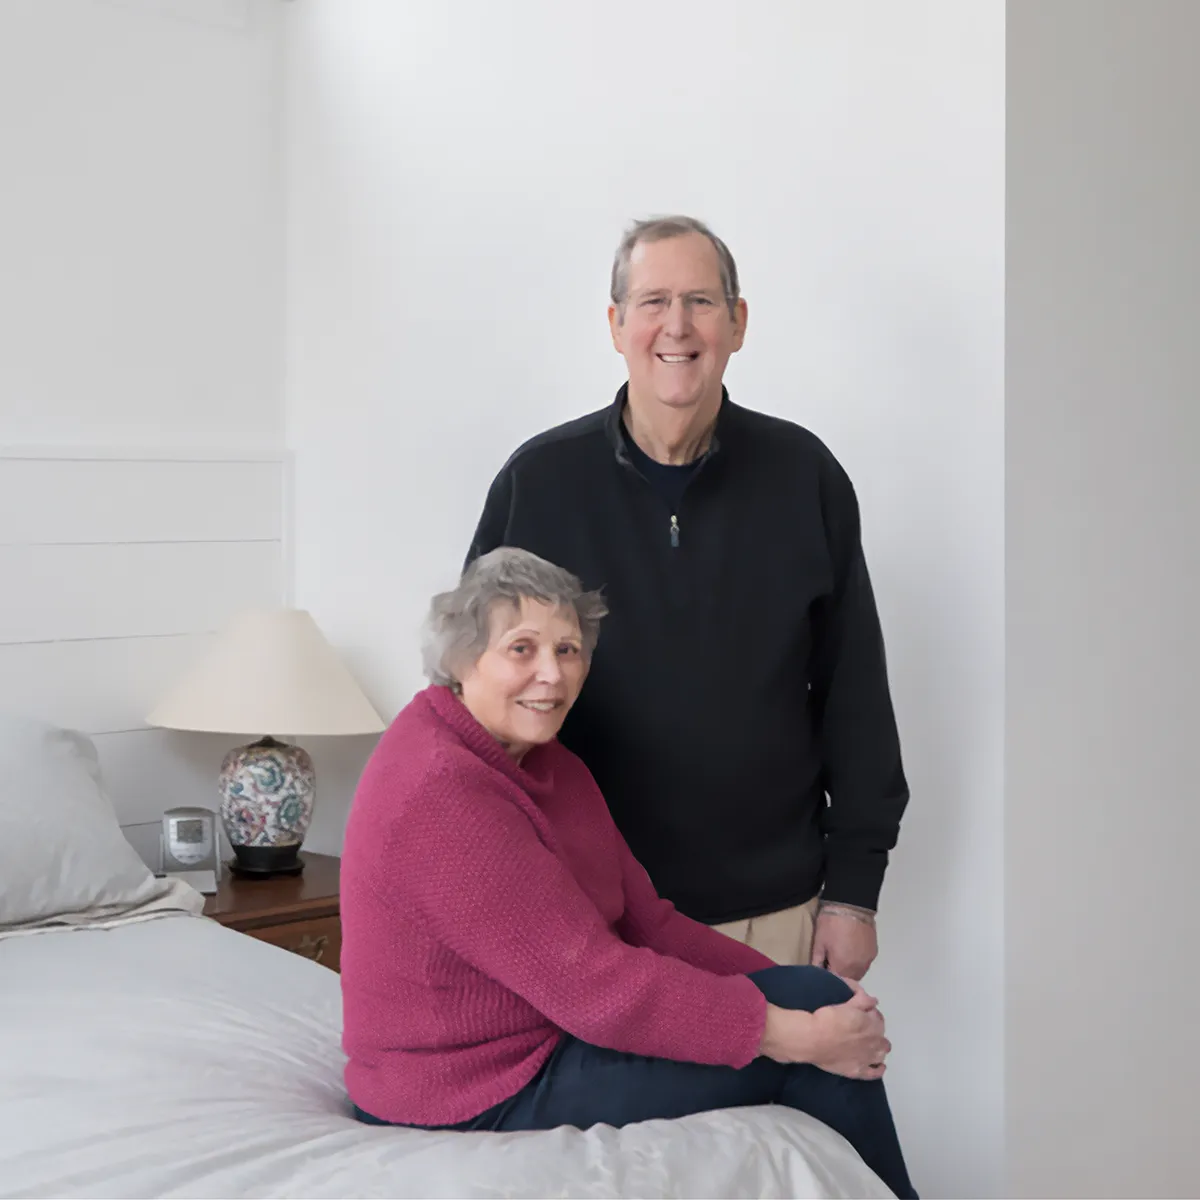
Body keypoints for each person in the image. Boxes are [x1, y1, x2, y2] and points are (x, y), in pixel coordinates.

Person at [340, 548, 917, 1200]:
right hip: (469, 1090)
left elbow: (650, 923)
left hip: (539, 1040)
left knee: (816, 993)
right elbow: (593, 986)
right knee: (812, 1041)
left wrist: (803, 998)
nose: (551, 676)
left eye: (568, 650)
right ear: (462, 659)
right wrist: (796, 1035)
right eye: (522, 649)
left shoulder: (549, 765)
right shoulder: (442, 791)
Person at [465, 215, 909, 976]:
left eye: (701, 301)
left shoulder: (806, 478)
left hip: (773, 916)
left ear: (738, 323)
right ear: (615, 325)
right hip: (586, 912)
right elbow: (474, 700)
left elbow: (855, 696)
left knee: (781, 1102)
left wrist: (854, 894)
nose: (677, 326)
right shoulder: (538, 486)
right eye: (652, 302)